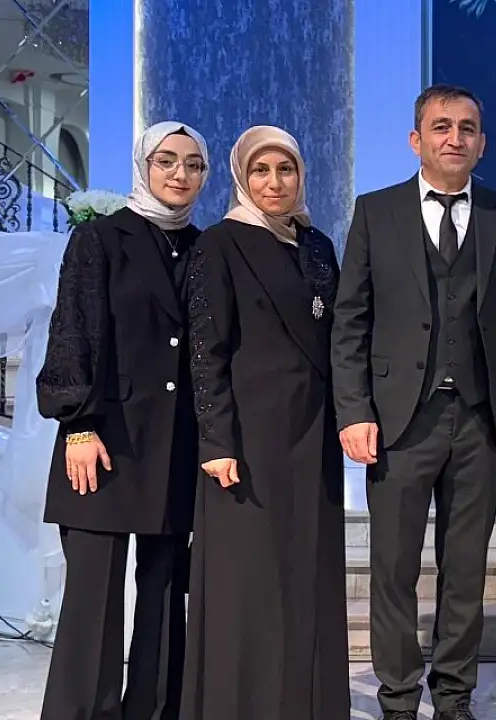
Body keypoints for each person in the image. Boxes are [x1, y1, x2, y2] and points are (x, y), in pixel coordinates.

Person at [331, 84, 496, 720]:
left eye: (467, 128)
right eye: (442, 126)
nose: (455, 138)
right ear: (416, 140)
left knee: (465, 570)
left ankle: (453, 697)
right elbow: (350, 320)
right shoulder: (376, 211)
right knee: (393, 569)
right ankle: (398, 699)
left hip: (478, 420)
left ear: (482, 143)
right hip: (398, 421)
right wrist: (354, 411)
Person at [36, 121, 209, 720]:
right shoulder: (100, 239)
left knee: (165, 598)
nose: (180, 174)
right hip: (105, 442)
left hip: (177, 445)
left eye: (193, 164)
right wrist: (77, 425)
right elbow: (73, 332)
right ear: (144, 166)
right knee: (94, 604)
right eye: (167, 161)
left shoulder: (206, 248)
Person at [181, 125, 348, 719]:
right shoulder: (220, 244)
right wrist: (215, 441)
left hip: (313, 434)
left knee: (308, 572)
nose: (274, 183)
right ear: (241, 177)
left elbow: (335, 334)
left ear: (301, 175)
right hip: (247, 442)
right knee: (248, 579)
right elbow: (206, 349)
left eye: (285, 170)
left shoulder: (317, 244)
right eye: (260, 170)